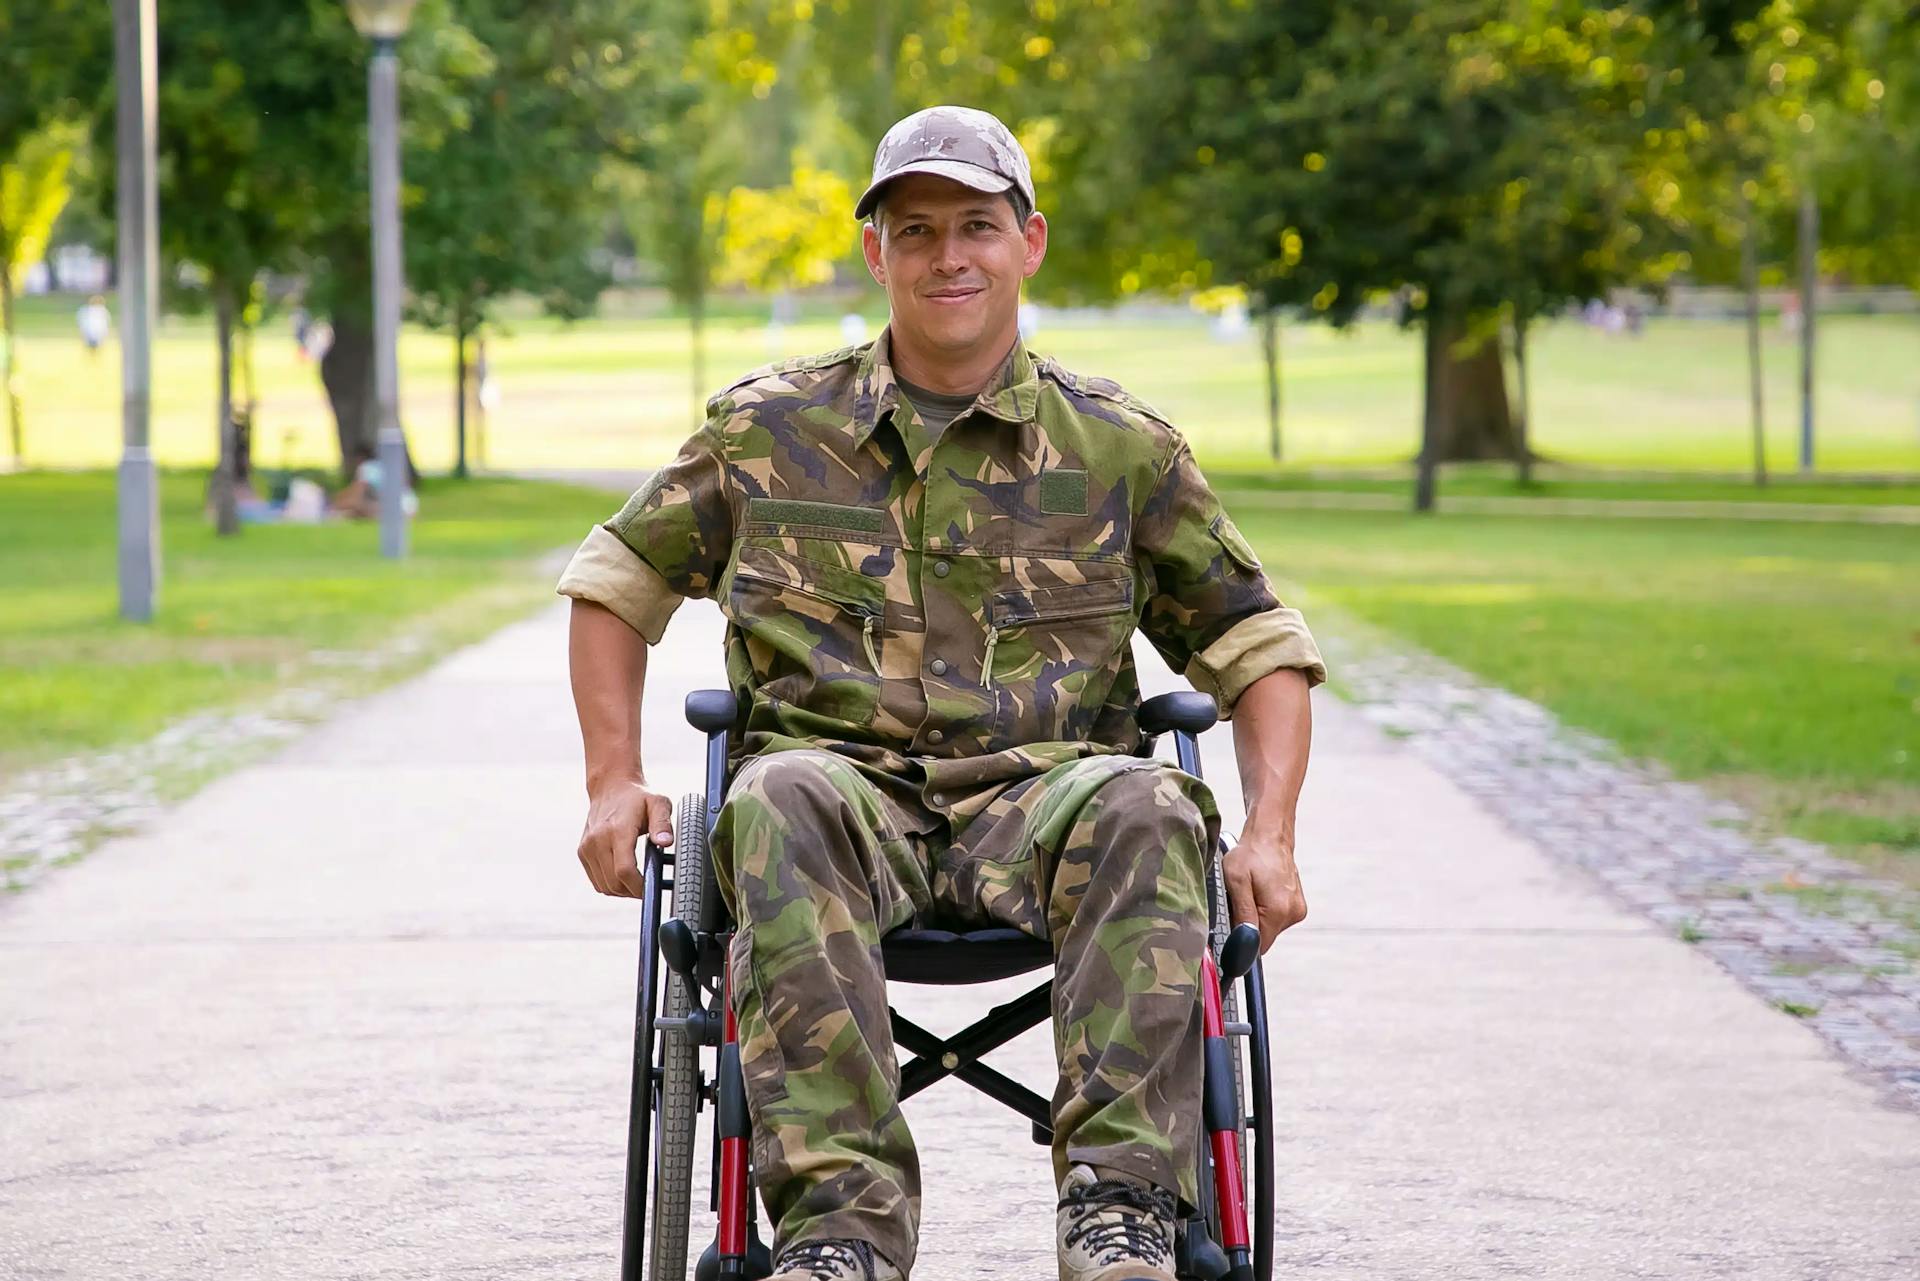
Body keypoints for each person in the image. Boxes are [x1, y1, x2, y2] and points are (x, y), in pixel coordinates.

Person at [560, 105, 1323, 1281]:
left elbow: (1256, 644)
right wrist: (614, 783)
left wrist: (1270, 831)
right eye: (915, 230)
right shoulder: (767, 430)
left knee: (1152, 803)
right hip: (842, 808)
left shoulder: (1121, 449)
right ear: (877, 253)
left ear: (1031, 242)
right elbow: (615, 585)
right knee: (779, 796)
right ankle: (839, 1231)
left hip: (1051, 805)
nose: (948, 255)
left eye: (977, 225)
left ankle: (1120, 1209)